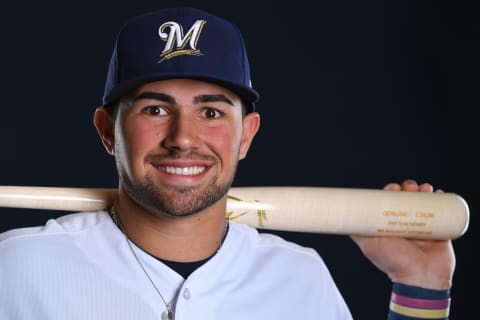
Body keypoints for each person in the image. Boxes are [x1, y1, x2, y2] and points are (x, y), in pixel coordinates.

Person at [0, 7, 454, 319]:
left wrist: (419, 283)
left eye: (211, 112)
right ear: (106, 131)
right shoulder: (18, 269)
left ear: (246, 135)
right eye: (155, 110)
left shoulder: (299, 278)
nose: (182, 139)